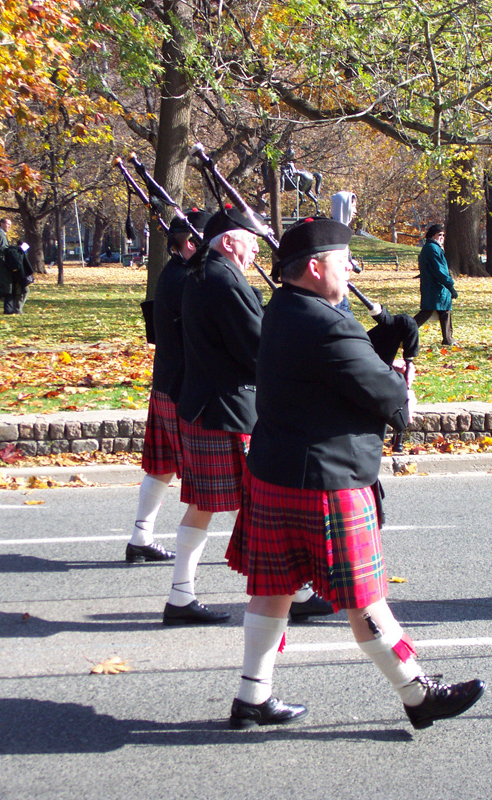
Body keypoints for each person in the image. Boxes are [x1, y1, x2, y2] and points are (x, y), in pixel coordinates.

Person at [226, 217, 485, 730]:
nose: (352, 268)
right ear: (316, 267)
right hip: (326, 478)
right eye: (344, 261)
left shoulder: (285, 308)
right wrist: (401, 376)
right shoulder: (326, 324)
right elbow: (388, 398)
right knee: (364, 597)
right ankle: (417, 693)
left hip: (277, 470)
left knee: (272, 590)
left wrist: (377, 343)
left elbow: (333, 366)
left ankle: (252, 696)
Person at [164, 207, 333, 626]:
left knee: (205, 505)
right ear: (227, 241)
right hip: (230, 408)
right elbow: (259, 349)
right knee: (265, 505)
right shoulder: (225, 281)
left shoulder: (204, 274)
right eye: (250, 237)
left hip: (209, 404)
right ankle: (291, 594)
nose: (257, 246)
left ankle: (182, 595)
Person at [126, 209, 211, 567]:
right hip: (184, 388)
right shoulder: (188, 280)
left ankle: (141, 537)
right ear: (191, 242)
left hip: (167, 382)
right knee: (219, 477)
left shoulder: (173, 273)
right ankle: (262, 549)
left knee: (161, 467)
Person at [414, 223, 458, 346]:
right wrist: (450, 286)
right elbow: (440, 270)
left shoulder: (433, 247)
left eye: (443, 235)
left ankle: (448, 339)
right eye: (439, 234)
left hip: (436, 287)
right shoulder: (432, 248)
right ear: (433, 235)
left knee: (445, 312)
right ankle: (403, 333)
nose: (442, 237)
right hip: (435, 287)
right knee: (427, 312)